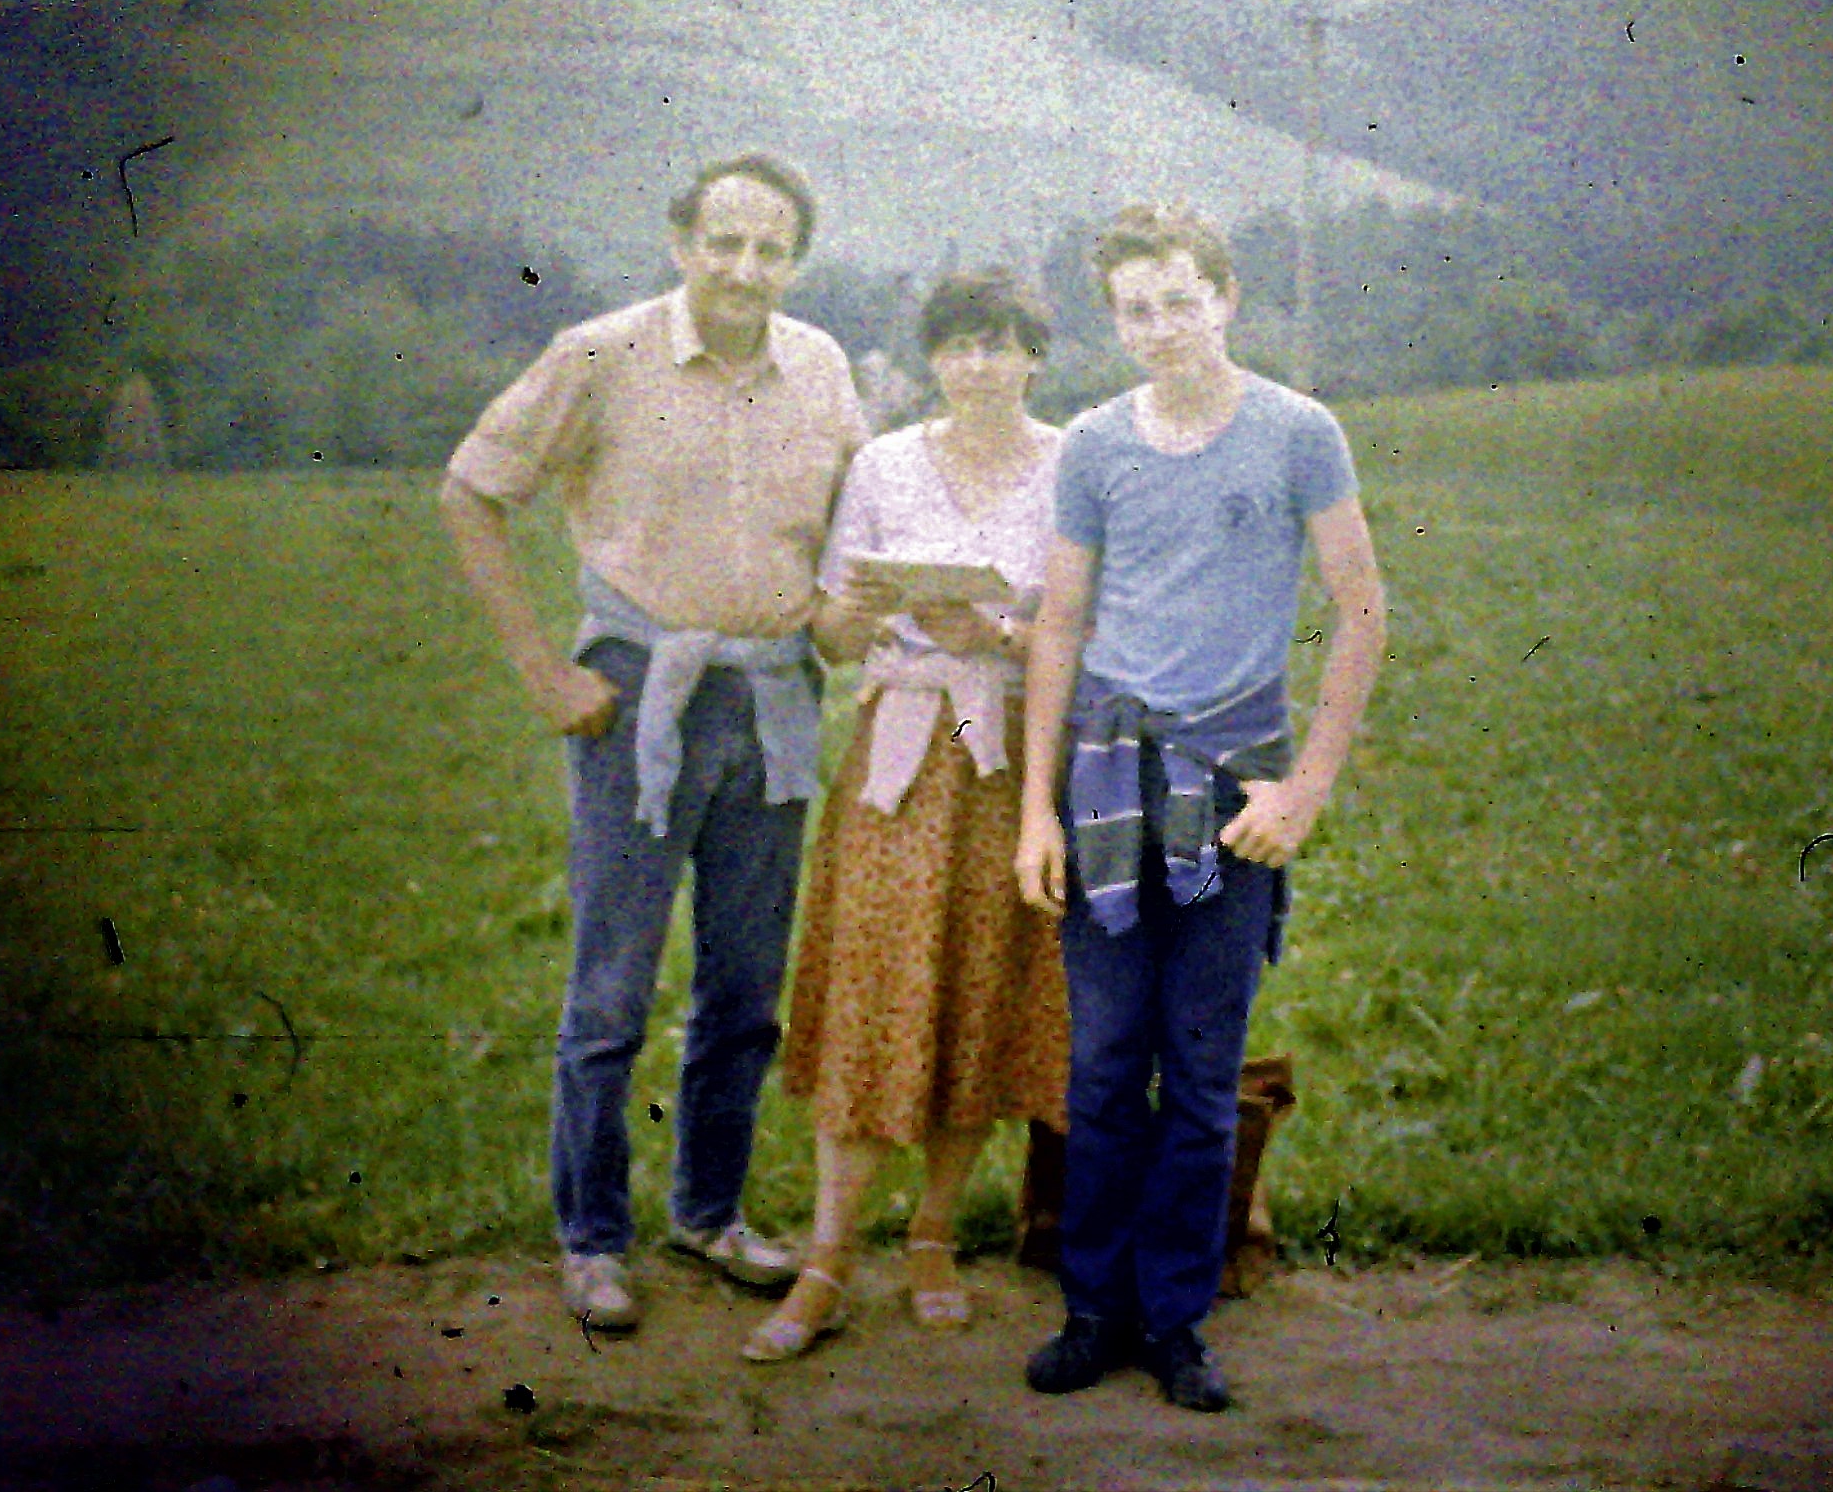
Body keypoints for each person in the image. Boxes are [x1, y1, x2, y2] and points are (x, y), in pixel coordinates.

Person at [438, 153, 866, 1332]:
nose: (744, 269)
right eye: (723, 243)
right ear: (682, 244)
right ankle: (591, 1240)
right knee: (612, 987)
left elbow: (851, 533)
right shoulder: (600, 353)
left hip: (774, 701)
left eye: (770, 249)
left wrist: (852, 618)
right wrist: (544, 669)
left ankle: (709, 1214)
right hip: (636, 697)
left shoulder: (823, 368)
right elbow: (472, 491)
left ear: (795, 263)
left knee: (746, 987)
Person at [1013, 203, 1387, 1412]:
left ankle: (1177, 1319)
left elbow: (1361, 609)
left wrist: (1305, 789)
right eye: (1137, 309)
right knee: (1105, 1061)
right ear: (1114, 322)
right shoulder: (1092, 447)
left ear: (1224, 297)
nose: (1163, 326)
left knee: (1202, 1063)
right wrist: (1036, 813)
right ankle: (1093, 1308)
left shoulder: (1298, 432)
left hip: (1236, 789)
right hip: (1108, 783)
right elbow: (1059, 626)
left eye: (1182, 300)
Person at [740, 271, 1073, 1362]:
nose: (977, 365)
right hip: (900, 753)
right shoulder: (884, 464)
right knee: (876, 988)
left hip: (1007, 752)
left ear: (1033, 357)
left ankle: (933, 1235)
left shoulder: (1073, 464)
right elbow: (837, 638)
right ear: (932, 358)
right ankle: (829, 1258)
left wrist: (999, 637)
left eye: (999, 344)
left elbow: (1085, 630)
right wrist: (855, 610)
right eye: (957, 345)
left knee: (979, 985)